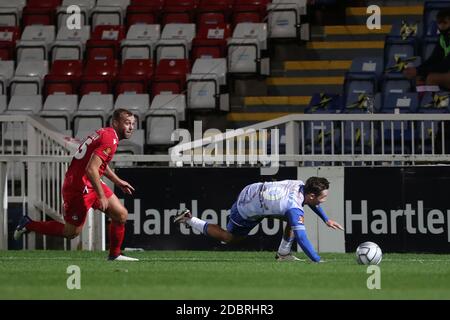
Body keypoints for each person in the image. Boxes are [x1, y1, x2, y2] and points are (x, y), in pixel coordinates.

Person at [14, 108, 138, 261]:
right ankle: (28, 224)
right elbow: (92, 169)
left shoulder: (106, 133)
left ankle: (114, 255)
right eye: (127, 123)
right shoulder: (110, 140)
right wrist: (101, 196)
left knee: (121, 215)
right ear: (115, 122)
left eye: (133, 124)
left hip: (90, 182)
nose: (131, 127)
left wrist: (117, 182)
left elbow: (98, 164)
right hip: (78, 187)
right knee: (71, 233)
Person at [173, 177, 344, 263]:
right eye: (323, 197)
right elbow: (301, 237)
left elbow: (311, 202)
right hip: (247, 206)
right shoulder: (293, 206)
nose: (325, 200)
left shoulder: (301, 185)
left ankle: (283, 254)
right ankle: (189, 219)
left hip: (254, 190)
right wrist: (317, 260)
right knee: (229, 238)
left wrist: (326, 219)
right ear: (312, 195)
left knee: (295, 220)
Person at [404, 8, 450, 91]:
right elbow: (433, 59)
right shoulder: (443, 38)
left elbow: (445, 65)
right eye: (439, 23)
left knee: (431, 78)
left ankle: (437, 103)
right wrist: (418, 71)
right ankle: (423, 102)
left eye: (445, 23)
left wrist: (418, 71)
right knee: (420, 77)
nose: (442, 26)